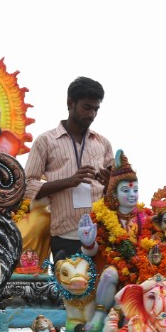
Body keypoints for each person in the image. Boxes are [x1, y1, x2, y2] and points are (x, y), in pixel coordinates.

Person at [24, 76, 114, 263]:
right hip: (65, 236)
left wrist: (110, 183)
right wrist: (69, 182)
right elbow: (27, 185)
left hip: (102, 235)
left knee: (101, 291)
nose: (92, 115)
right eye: (86, 107)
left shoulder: (103, 143)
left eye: (96, 109)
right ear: (69, 103)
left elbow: (116, 188)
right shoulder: (46, 141)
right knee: (69, 290)